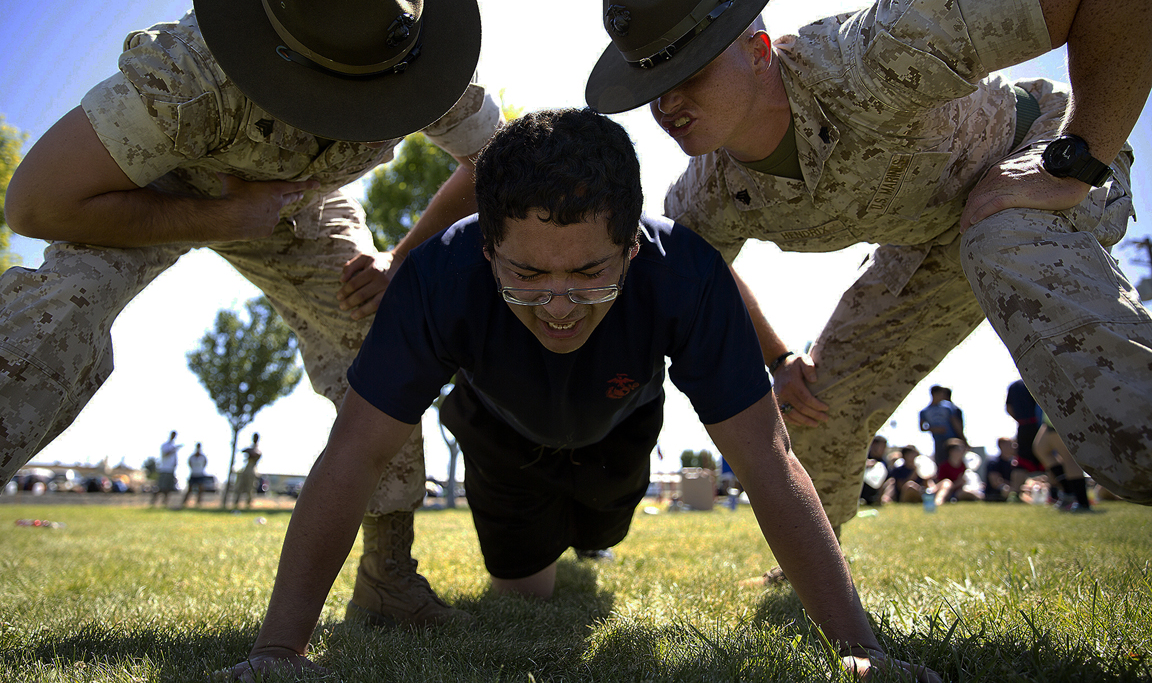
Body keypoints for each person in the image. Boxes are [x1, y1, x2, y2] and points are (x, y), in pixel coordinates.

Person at [219, 109, 939, 682]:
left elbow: (764, 458)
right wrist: (280, 648)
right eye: (526, 276)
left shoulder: (685, 273)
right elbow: (353, 455)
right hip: (501, 438)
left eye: (591, 273)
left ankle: (594, 536)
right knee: (527, 593)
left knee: (598, 534)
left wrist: (858, 648)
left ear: (633, 246)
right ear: (485, 247)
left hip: (617, 431)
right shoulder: (435, 278)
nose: (560, 307)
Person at [0, 0, 503, 629]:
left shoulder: (421, 61)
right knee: (61, 307)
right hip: (159, 192)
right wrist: (223, 215)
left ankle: (388, 579)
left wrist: (401, 259)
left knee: (382, 334)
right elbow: (36, 203)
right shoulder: (188, 78)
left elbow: (494, 163)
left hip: (303, 210)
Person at [585, 0, 1152, 547]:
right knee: (816, 403)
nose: (667, 103)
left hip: (1035, 158)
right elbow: (698, 271)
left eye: (691, 67)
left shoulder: (876, 50)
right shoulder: (706, 193)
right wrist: (778, 358)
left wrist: (1071, 163)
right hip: (930, 242)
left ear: (758, 48)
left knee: (1004, 240)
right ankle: (815, 562)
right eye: (650, 81)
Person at [1034, 421, 1094, 512]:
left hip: (1059, 417)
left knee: (1069, 458)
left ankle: (1082, 502)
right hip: (1049, 419)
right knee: (1040, 448)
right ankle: (1068, 492)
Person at [1005, 379, 1044, 493]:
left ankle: (1015, 493)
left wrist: (1020, 420)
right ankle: (1056, 492)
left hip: (1023, 427)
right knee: (1046, 458)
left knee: (1022, 461)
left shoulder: (1014, 386)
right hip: (1039, 427)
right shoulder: (1036, 382)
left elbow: (1008, 408)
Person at [918, 386, 964, 465]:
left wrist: (962, 438)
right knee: (941, 463)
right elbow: (922, 427)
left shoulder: (948, 407)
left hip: (951, 440)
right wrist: (935, 429)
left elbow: (955, 423)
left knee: (954, 463)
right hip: (938, 441)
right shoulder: (925, 411)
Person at [933, 439, 980, 505]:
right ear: (952, 451)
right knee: (947, 483)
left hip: (960, 492)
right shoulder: (943, 466)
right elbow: (941, 485)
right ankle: (938, 502)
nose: (963, 451)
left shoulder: (965, 466)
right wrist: (958, 483)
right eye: (960, 449)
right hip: (948, 492)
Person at [152, 430, 184, 506]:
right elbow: (165, 454)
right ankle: (153, 501)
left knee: (168, 488)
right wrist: (174, 449)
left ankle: (165, 502)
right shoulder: (165, 445)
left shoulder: (173, 446)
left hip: (171, 469)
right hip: (164, 469)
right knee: (160, 487)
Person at [234, 433, 263, 510]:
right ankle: (236, 502)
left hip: (252, 468)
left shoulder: (257, 447)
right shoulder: (251, 446)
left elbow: (256, 453)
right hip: (246, 468)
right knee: (240, 485)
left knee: (250, 487)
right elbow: (244, 450)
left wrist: (249, 451)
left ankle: (248, 503)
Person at [983, 437, 1017, 502]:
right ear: (1001, 446)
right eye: (1010, 444)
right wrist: (1013, 487)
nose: (1013, 447)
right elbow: (995, 482)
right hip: (994, 494)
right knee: (1006, 489)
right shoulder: (993, 462)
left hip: (1012, 488)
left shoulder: (1014, 463)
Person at [860, 435, 889, 506]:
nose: (883, 450)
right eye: (882, 447)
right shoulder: (864, 456)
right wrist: (866, 465)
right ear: (873, 445)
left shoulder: (883, 462)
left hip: (874, 492)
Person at [182, 443, 209, 508]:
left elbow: (205, 463)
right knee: (189, 489)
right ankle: (184, 503)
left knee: (200, 489)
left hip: (200, 474)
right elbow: (189, 464)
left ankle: (198, 503)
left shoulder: (203, 457)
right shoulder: (192, 457)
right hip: (193, 474)